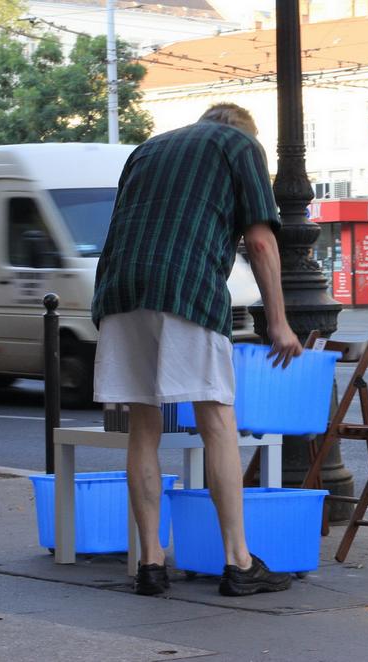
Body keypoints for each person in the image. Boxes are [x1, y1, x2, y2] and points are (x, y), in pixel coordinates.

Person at [91, 103, 302, 598]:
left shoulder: (148, 149)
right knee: (217, 420)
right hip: (185, 286)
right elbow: (262, 242)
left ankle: (150, 563)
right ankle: (238, 562)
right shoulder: (240, 145)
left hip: (119, 289)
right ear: (245, 133)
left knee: (144, 425)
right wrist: (278, 322)